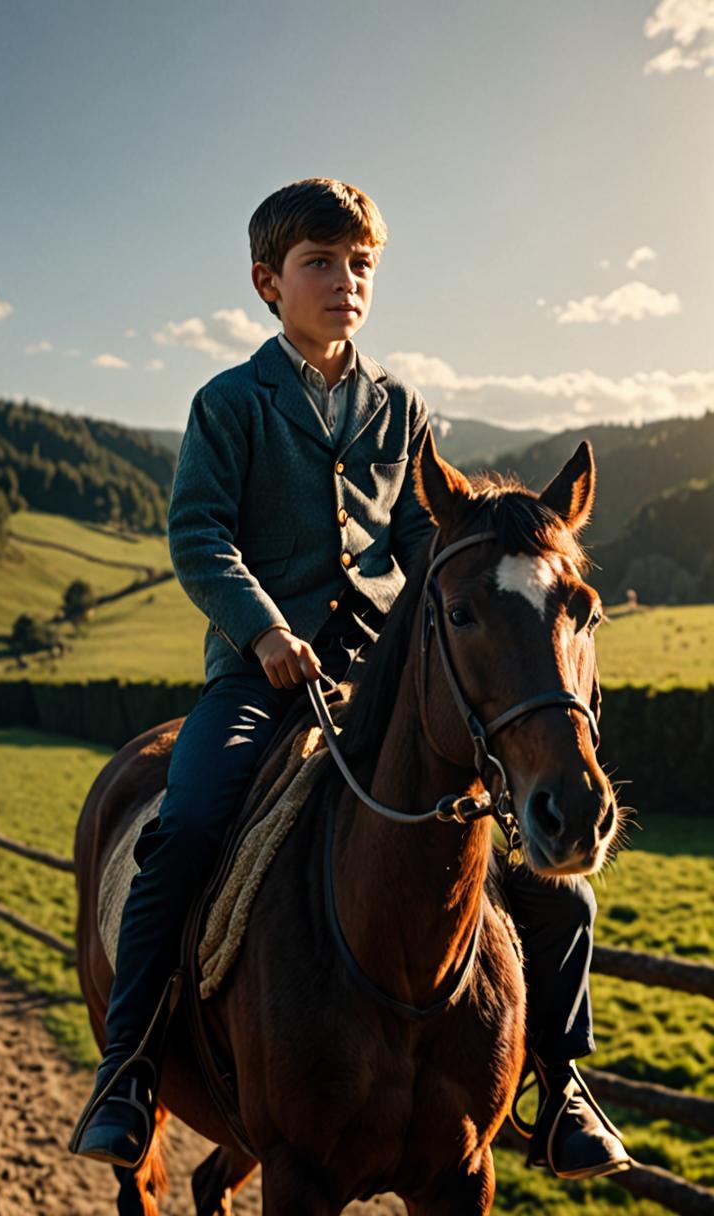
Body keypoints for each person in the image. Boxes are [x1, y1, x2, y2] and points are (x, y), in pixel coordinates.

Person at [70, 178, 628, 1182]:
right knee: (188, 825)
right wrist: (267, 631)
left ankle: (562, 1082)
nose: (345, 281)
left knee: (546, 876)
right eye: (320, 263)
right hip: (259, 672)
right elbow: (198, 535)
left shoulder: (401, 406)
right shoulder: (229, 403)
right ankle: (127, 1070)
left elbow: (428, 543)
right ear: (267, 282)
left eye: (360, 263)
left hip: (385, 675)